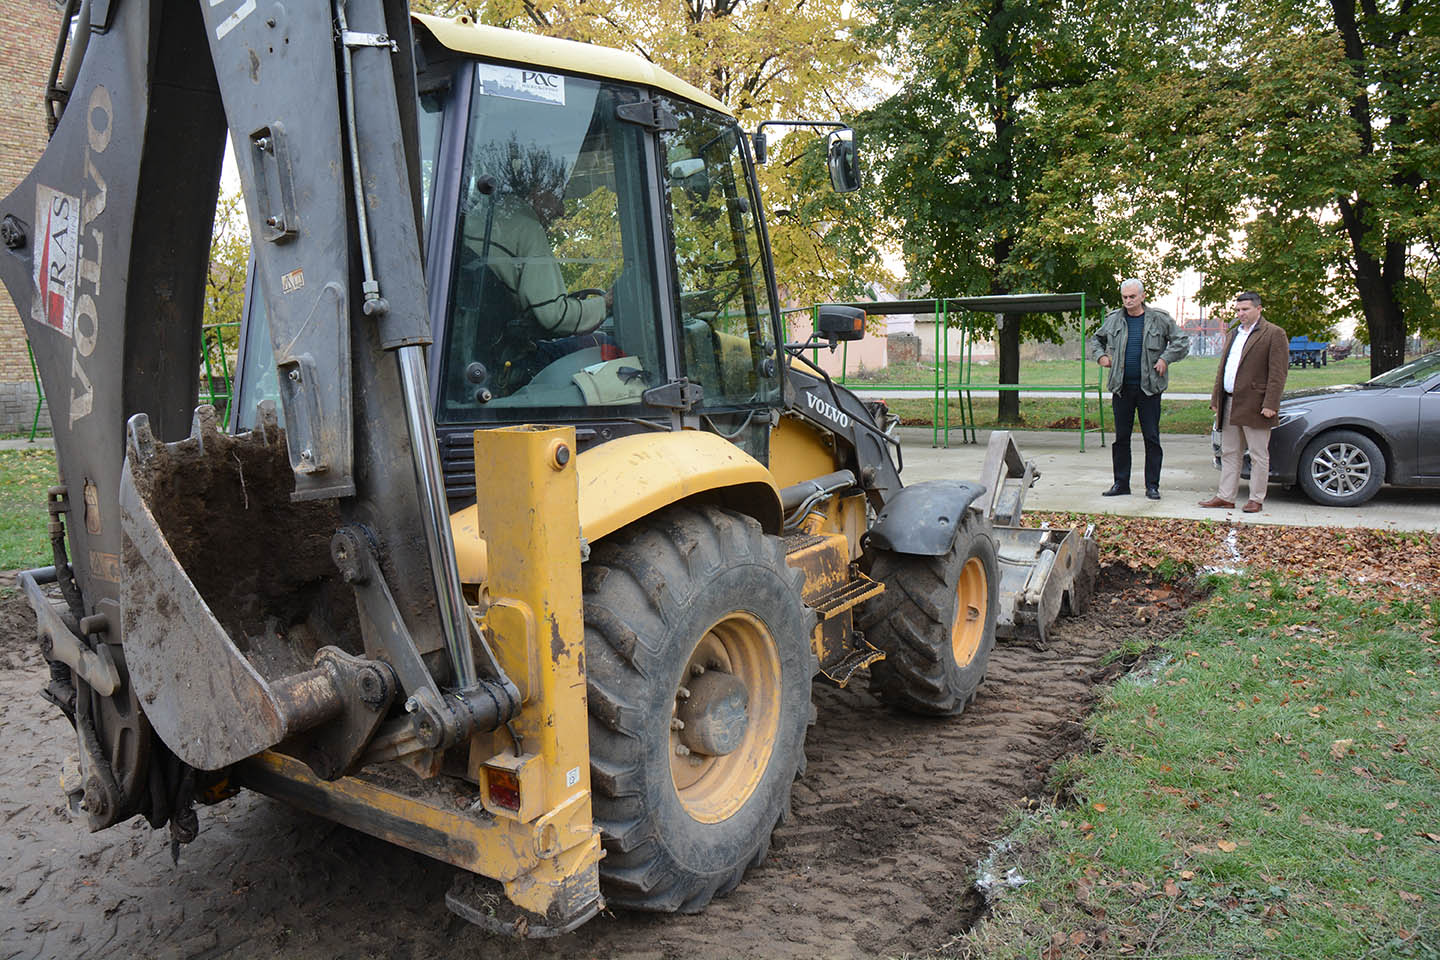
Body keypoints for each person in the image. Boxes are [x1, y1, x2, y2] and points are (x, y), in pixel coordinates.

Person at [1089, 278, 1190, 500]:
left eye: (1132, 297)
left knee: (1151, 438)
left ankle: (1152, 485)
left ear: (1143, 296)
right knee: (1121, 438)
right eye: (1124, 297)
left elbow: (1182, 341)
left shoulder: (1159, 319)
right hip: (1121, 389)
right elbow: (1095, 340)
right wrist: (1101, 356)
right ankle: (1121, 483)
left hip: (1149, 389)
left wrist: (1166, 358)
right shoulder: (1114, 319)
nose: (1128, 301)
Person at [1200, 291, 1289, 513]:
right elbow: (1223, 370)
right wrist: (1216, 399)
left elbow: (1278, 374)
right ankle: (1225, 496)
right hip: (1229, 401)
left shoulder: (1274, 334)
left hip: (1257, 404)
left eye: (1245, 309)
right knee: (1229, 452)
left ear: (1259, 309)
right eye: (1238, 310)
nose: (1241, 314)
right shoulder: (1233, 334)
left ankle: (1256, 499)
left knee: (1259, 454)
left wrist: (1271, 404)